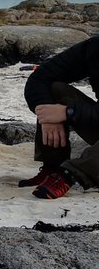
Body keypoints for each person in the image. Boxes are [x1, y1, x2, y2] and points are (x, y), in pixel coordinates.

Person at [21, 35, 99, 199]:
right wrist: (48, 116)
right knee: (55, 89)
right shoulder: (95, 47)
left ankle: (69, 175)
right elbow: (40, 78)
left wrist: (68, 112)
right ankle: (52, 168)